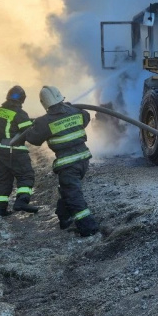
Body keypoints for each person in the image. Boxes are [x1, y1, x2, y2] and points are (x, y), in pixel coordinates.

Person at [14, 85, 100, 237]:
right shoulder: (76, 111)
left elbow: (34, 139)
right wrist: (70, 109)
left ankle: (89, 228)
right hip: (83, 161)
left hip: (68, 165)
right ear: (60, 97)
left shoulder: (44, 122)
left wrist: (29, 129)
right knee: (68, 190)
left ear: (43, 103)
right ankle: (64, 219)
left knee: (73, 196)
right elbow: (86, 117)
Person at [0, 85, 39, 216]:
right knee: (26, 175)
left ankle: (0, 209)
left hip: (0, 149)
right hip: (14, 150)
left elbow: (13, 123)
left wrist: (31, 121)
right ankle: (21, 201)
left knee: (4, 179)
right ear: (22, 99)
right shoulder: (19, 113)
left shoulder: (1, 111)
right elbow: (29, 132)